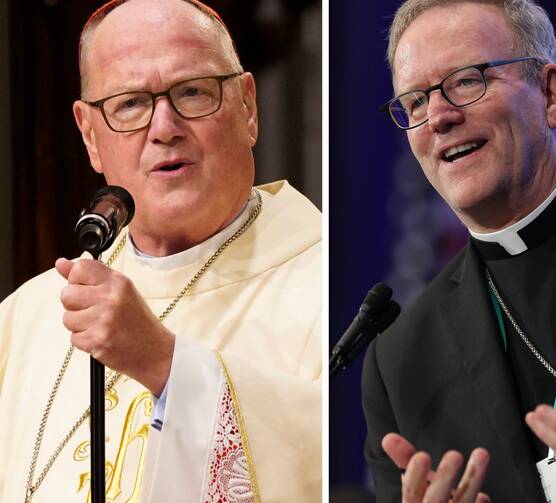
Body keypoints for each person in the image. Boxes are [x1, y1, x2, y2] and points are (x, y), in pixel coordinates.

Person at [0, 1, 321, 502]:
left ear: (248, 107)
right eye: (130, 104)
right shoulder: (26, 317)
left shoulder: (336, 286)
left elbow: (348, 467)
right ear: (90, 135)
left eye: (192, 92)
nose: (165, 127)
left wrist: (168, 367)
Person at [362, 0, 556, 501]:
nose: (438, 117)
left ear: (550, 92)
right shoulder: (400, 363)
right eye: (414, 102)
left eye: (467, 81)